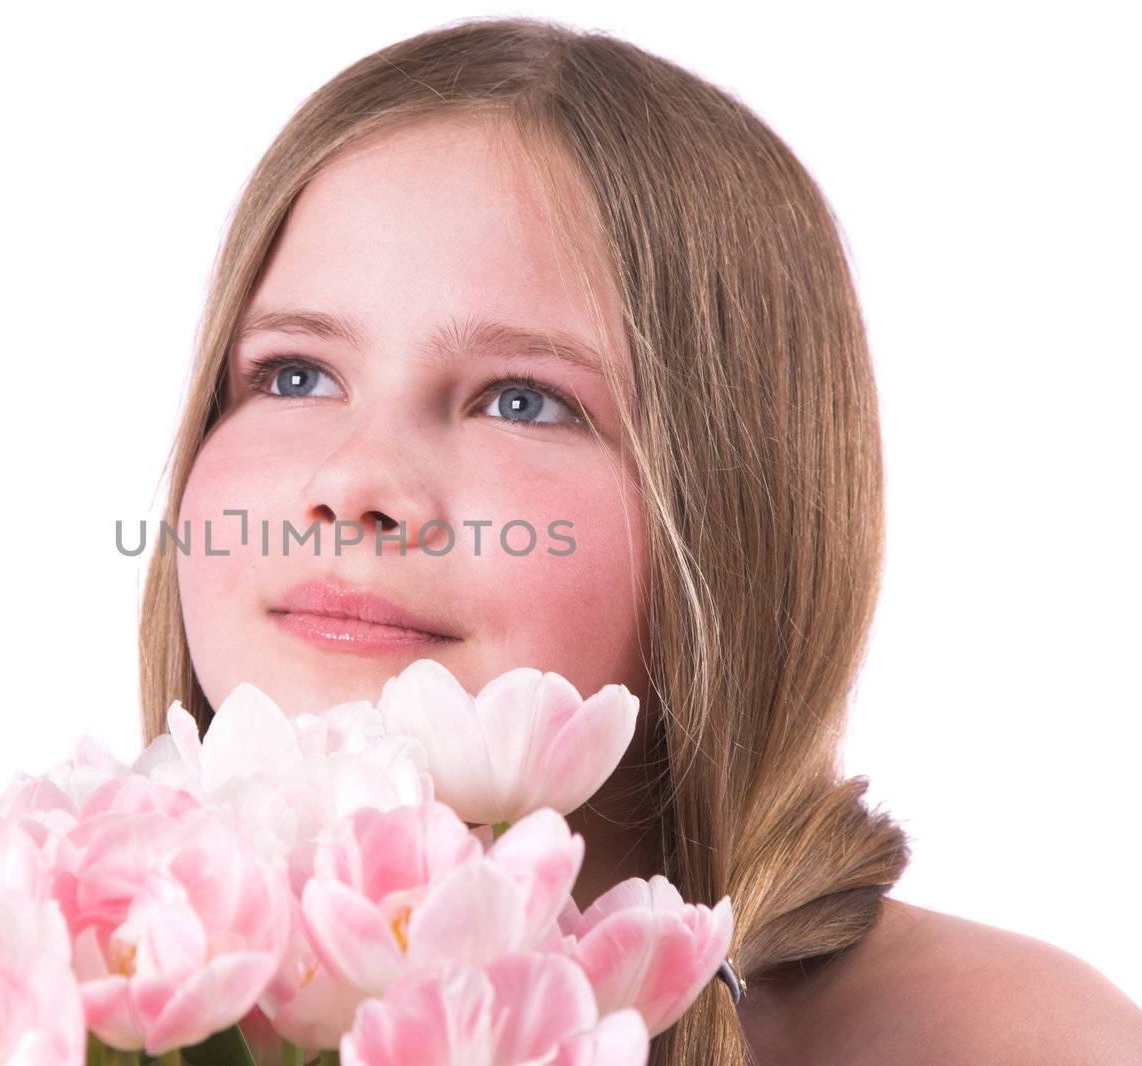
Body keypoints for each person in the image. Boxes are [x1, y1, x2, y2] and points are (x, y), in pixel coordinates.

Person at [137, 15, 1141, 1065]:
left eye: (520, 399)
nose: (350, 482)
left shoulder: (1007, 1040)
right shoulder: (29, 981)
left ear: (733, 515)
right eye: (294, 374)